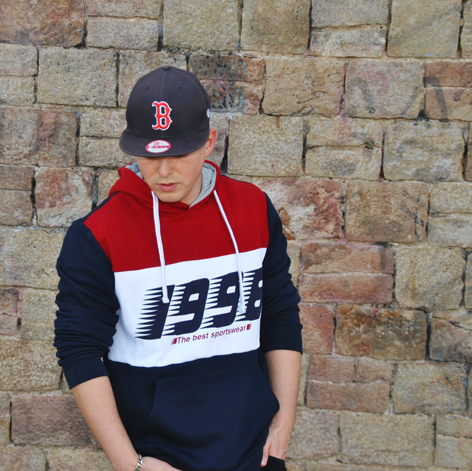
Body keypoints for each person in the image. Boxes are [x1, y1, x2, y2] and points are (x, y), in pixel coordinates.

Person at [53, 65, 303, 471]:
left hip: (255, 453)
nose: (164, 171)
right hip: (160, 459)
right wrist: (131, 465)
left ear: (209, 143)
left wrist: (283, 423)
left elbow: (279, 314)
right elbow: (79, 351)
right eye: (151, 156)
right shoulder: (98, 235)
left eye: (179, 154)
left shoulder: (253, 208)